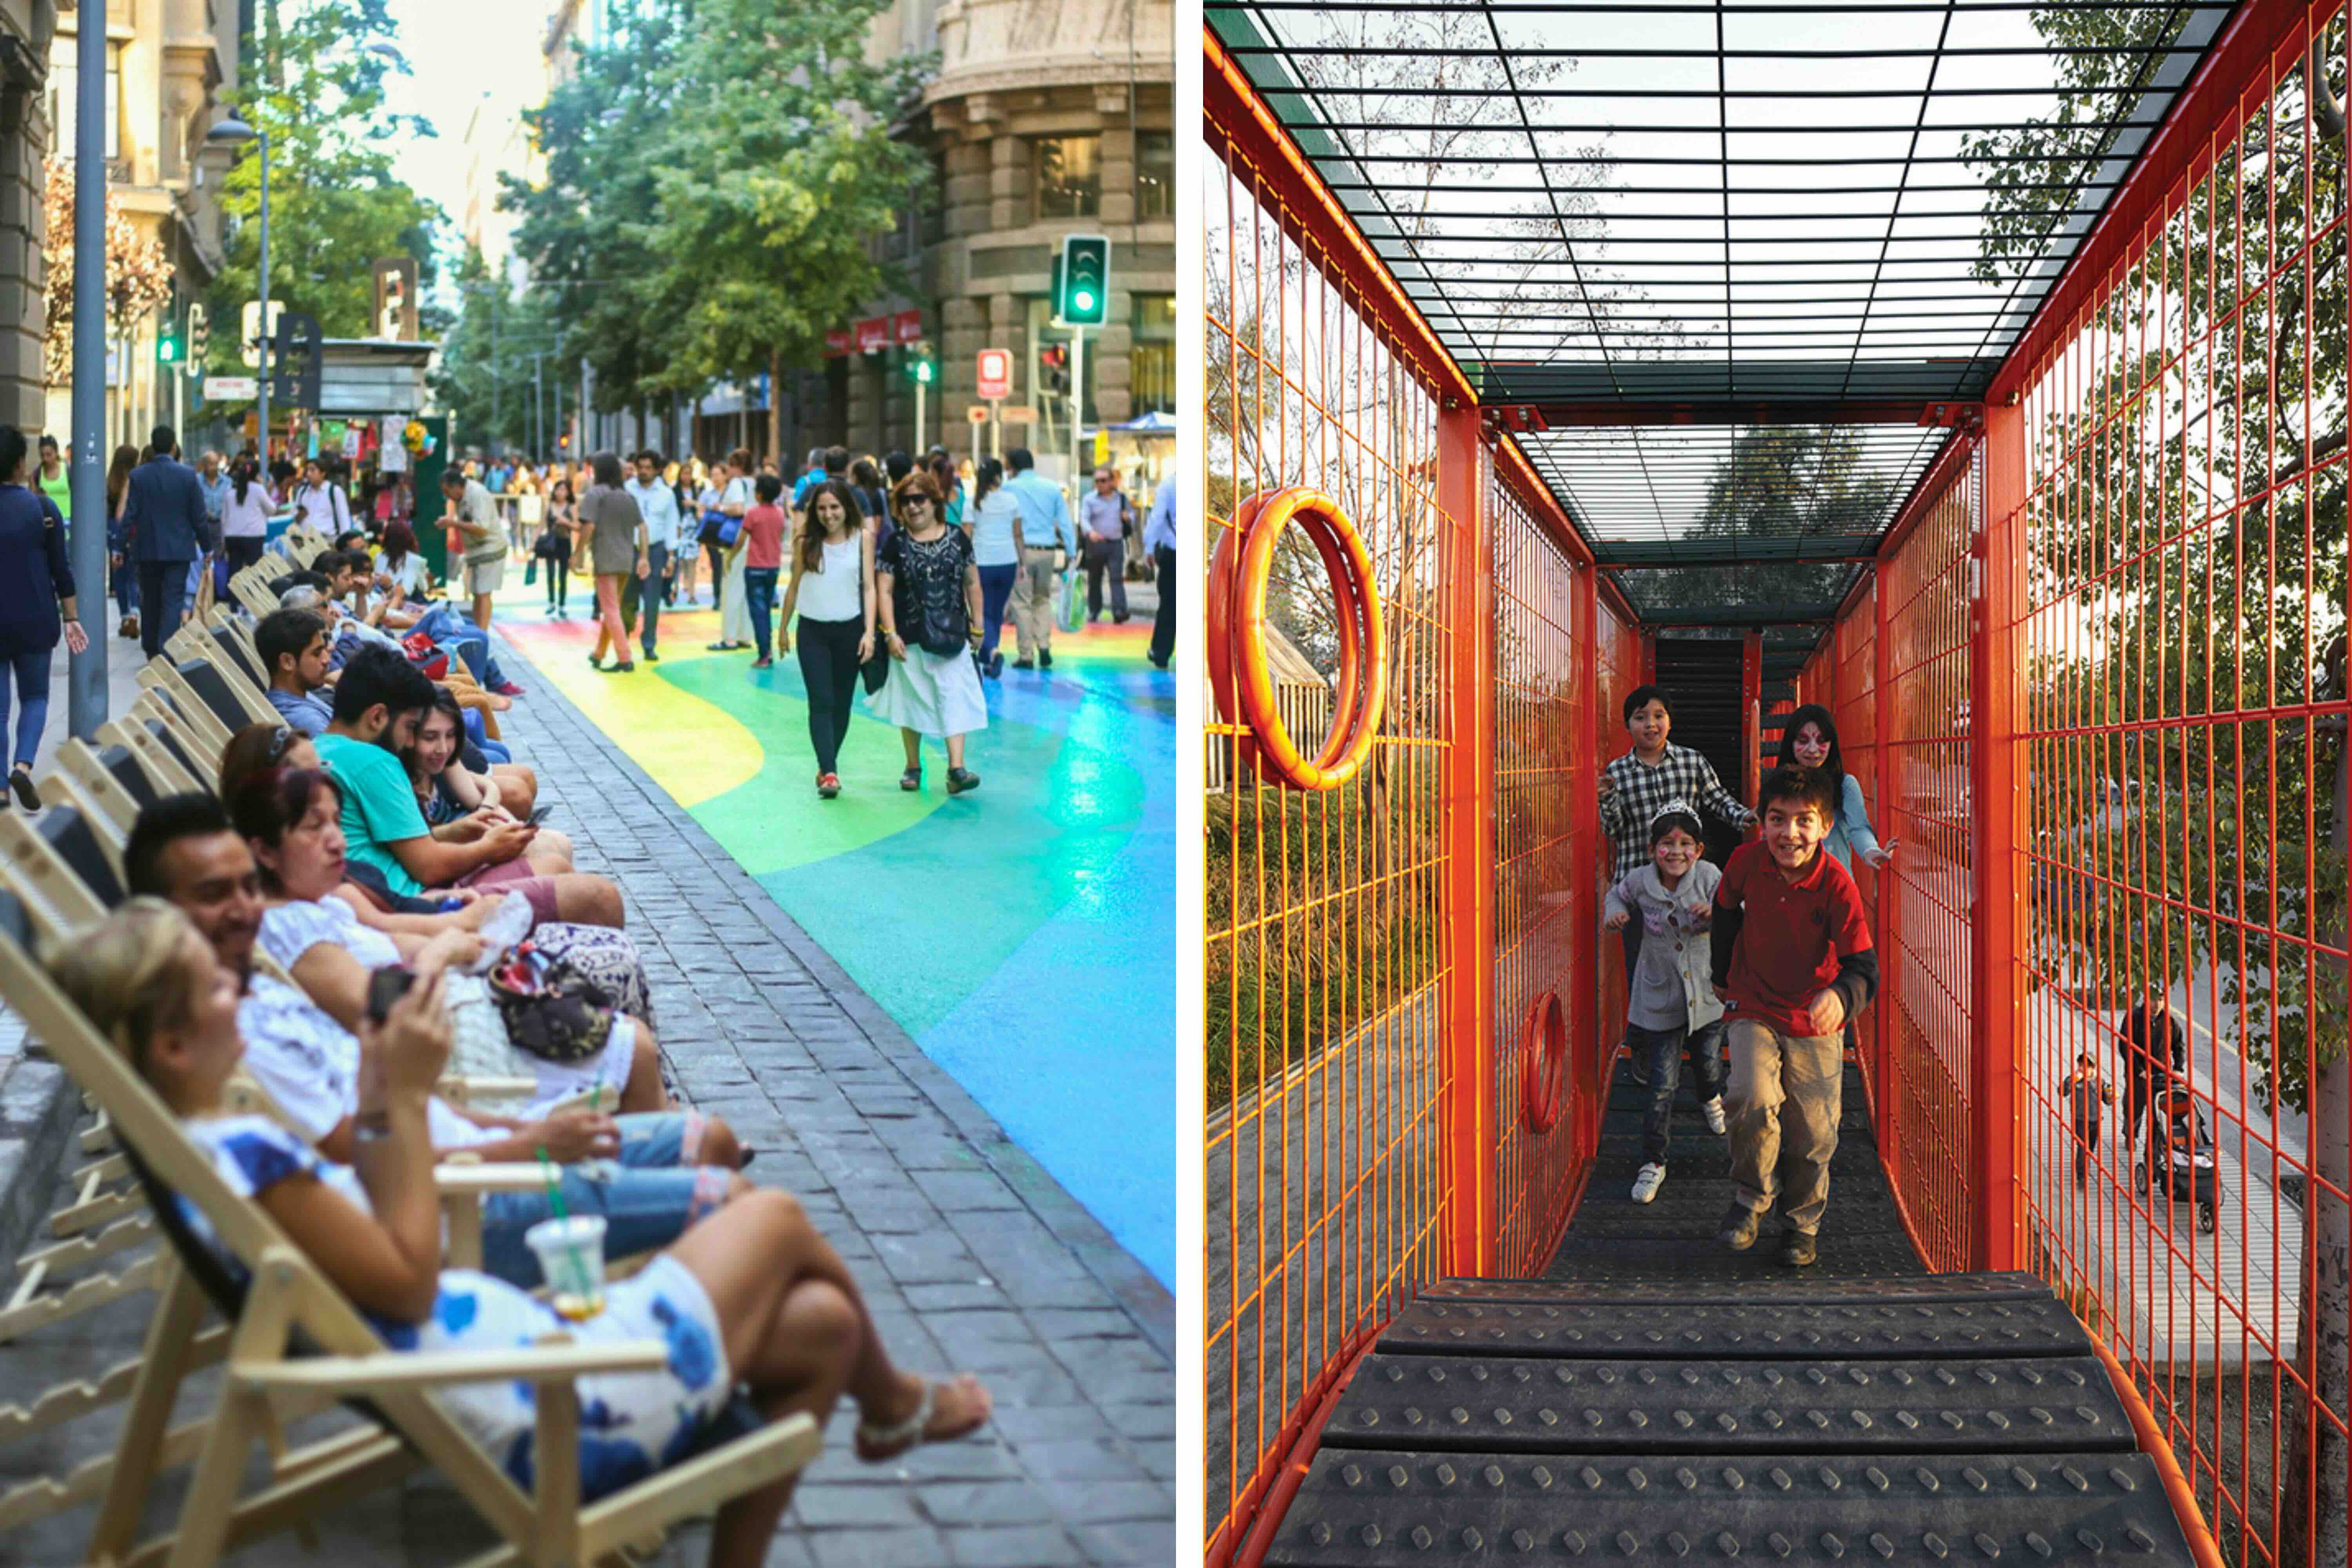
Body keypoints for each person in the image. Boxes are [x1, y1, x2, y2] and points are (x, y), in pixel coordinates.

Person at [52, 895, 992, 1566]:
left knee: (824, 1325)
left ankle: (887, 1404)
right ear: (173, 1046)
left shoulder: (221, 1146)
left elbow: (386, 1248)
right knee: (778, 1217)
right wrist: (399, 1107)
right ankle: (895, 1404)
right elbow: (411, 1280)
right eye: (215, 991)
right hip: (549, 1405)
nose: (237, 993)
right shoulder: (246, 1161)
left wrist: (389, 1098)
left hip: (510, 1350)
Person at [112, 811, 750, 1285]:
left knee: (712, 1144)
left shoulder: (264, 989)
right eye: (212, 895)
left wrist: (502, 1125)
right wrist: (521, 1143)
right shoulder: (234, 1038)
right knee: (744, 1213)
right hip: (467, 1199)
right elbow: (373, 1151)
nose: (242, 909)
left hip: (470, 1149)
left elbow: (389, 1091)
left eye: (243, 888)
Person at [314, 644, 621, 927]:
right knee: (599, 896)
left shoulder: (319, 749)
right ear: (378, 716)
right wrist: (489, 847)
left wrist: (458, 834)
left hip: (384, 892)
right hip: (413, 899)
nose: (409, 741)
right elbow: (429, 867)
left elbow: (389, 843)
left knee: (554, 863)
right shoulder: (373, 761)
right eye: (409, 727)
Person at [1709, 766, 1879, 1268]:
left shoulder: (1837, 884)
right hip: (1754, 1000)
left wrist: (1842, 998)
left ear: (1827, 826)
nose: (1790, 834)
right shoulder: (1745, 862)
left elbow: (1863, 968)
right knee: (1752, 1098)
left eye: (1805, 821)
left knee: (1815, 1129)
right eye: (1777, 820)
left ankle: (1801, 1221)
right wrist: (1722, 973)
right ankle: (1751, 1198)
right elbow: (1725, 910)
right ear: (1762, 823)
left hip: (1813, 1012)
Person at [1599, 684, 1757, 1077]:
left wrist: (1745, 818)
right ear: (1628, 725)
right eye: (1640, 717)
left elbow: (1717, 798)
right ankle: (1646, 1051)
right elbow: (1614, 829)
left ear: (1669, 720)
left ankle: (1698, 1048)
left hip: (1689, 890)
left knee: (1698, 964)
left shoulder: (1691, 761)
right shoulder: (1618, 772)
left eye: (1658, 715)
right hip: (1641, 892)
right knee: (1645, 974)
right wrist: (1606, 799)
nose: (1650, 724)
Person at [1602, 801, 1728, 1204]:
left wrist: (1716, 913)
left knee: (1709, 1062)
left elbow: (1735, 907)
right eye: (1667, 844)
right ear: (1650, 847)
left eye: (1686, 843)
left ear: (1700, 848)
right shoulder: (1640, 881)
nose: (1676, 852)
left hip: (1705, 991)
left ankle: (1711, 1096)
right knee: (1662, 1084)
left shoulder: (1709, 877)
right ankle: (1653, 1161)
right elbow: (1615, 896)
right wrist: (1616, 914)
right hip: (1659, 992)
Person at [871, 474, 985, 796]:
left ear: (935, 502)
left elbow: (972, 582)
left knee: (954, 696)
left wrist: (978, 625)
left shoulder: (958, 538)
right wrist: (890, 632)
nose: (913, 507)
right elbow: (884, 589)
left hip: (952, 636)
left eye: (919, 499)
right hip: (910, 638)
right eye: (906, 501)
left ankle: (956, 769)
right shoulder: (895, 544)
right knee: (912, 701)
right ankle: (913, 766)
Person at [0, 426, 85, 811]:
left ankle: (0, 789)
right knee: (35, 697)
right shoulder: (43, 509)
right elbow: (61, 571)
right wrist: (72, 618)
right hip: (35, 618)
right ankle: (22, 764)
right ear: (21, 464)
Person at [779, 479, 877, 799]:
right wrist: (782, 629)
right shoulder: (805, 541)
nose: (828, 515)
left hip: (849, 631)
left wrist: (870, 633)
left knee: (842, 703)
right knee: (821, 700)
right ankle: (831, 771)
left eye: (834, 507)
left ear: (846, 508)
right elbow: (793, 587)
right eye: (821, 508)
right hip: (812, 632)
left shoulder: (863, 539)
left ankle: (826, 764)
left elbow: (869, 588)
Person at [120, 424, 214, 660]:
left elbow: (130, 514)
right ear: (174, 447)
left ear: (153, 446)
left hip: (147, 549)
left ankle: (151, 647)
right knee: (174, 600)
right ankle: (168, 649)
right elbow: (199, 517)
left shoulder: (139, 476)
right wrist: (207, 548)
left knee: (149, 599)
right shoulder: (187, 476)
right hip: (178, 551)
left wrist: (118, 546)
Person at [1776, 705, 1894, 875]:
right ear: (1790, 743)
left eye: (1822, 741)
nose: (1813, 750)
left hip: (1834, 885)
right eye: (1803, 741)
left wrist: (1870, 849)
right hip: (1790, 885)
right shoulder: (1777, 785)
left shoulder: (1845, 785)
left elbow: (1859, 827)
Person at [1002, 448, 1077, 671]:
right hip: (1048, 552)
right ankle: (1044, 646)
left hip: (1021, 552)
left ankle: (1026, 655)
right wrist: (1072, 552)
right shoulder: (1052, 488)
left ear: (1014, 467)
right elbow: (1064, 522)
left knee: (1021, 603)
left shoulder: (1009, 489)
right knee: (1043, 599)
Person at [578, 453, 650, 673]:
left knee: (610, 609)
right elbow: (643, 528)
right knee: (614, 609)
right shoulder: (627, 496)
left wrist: (577, 552)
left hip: (605, 558)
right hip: (626, 559)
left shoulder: (595, 494)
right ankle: (599, 653)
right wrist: (644, 558)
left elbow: (588, 527)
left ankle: (625, 658)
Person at [622, 449, 681, 662]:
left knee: (652, 599)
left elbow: (672, 525)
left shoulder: (666, 494)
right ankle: (624, 641)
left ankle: (649, 644)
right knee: (627, 598)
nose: (644, 472)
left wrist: (672, 556)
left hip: (656, 550)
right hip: (630, 549)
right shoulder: (628, 489)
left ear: (657, 470)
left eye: (649, 468)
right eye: (641, 468)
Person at [963, 458, 1019, 679]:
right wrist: (1022, 562)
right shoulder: (1012, 500)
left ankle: (992, 652)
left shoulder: (972, 502)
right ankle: (989, 655)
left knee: (981, 611)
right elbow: (1018, 534)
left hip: (981, 563)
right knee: (995, 611)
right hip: (1008, 561)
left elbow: (966, 536)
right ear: (999, 477)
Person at [439, 466, 507, 635]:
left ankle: (482, 635)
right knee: (478, 593)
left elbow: (481, 529)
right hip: (476, 550)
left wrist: (453, 524)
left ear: (456, 486)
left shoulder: (477, 495)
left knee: (483, 593)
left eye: (447, 492)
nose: (447, 496)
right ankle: (478, 632)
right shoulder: (460, 497)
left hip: (490, 548)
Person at [2120, 984, 2189, 1148]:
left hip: (2161, 1074)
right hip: (2138, 1073)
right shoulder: (2134, 1017)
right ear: (2145, 999)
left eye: (2161, 1000)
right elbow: (2125, 1046)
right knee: (2134, 1107)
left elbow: (2179, 1046)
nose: (2157, 1004)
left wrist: (2178, 1069)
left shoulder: (2170, 1021)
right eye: (2153, 1000)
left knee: (2158, 1110)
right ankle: (2131, 1135)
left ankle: (2154, 1143)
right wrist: (2139, 1070)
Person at [256, 605, 336, 735]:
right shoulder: (306, 720)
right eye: (317, 653)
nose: (327, 660)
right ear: (287, 662)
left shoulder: (300, 694)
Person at [739, 472, 789, 670]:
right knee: (766, 610)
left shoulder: (753, 514)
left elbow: (741, 540)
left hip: (755, 568)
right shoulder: (780, 513)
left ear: (758, 494)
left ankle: (765, 654)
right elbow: (782, 534)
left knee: (758, 612)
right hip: (773, 568)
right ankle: (767, 651)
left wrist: (730, 557)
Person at [710, 448, 756, 653]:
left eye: (730, 464)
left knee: (730, 589)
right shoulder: (754, 483)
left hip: (736, 542)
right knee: (746, 590)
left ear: (737, 466)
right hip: (753, 542)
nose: (727, 469)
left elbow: (738, 509)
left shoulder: (737, 484)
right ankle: (745, 635)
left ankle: (729, 638)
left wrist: (720, 508)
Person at [1079, 465, 1133, 623]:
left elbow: (1132, 516)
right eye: (1097, 481)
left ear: (1111, 481)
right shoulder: (1089, 499)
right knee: (1095, 579)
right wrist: (1090, 533)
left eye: (1103, 481)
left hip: (1116, 543)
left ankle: (1119, 611)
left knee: (1116, 578)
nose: (1100, 484)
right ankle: (1094, 611)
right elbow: (1084, 519)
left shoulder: (1122, 499)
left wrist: (1128, 518)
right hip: (1096, 544)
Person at [2061, 1049, 2115, 1187]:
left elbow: (2106, 1099)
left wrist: (2111, 1097)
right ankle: (2082, 1176)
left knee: (2090, 1148)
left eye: (2087, 1066)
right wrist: (2071, 1081)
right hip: (2080, 1119)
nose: (2083, 1068)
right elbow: (2062, 1092)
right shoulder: (2074, 1079)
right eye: (2081, 1065)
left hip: (2095, 1119)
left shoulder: (2099, 1081)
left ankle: (2085, 1166)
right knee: (2083, 1146)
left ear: (2093, 1069)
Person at [105, 443, 139, 639]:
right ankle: (134, 613)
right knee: (133, 574)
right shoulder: (131, 480)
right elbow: (122, 514)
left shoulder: (110, 481)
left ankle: (125, 616)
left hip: (111, 531)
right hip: (128, 530)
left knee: (118, 576)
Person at [217, 454, 272, 572]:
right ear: (257, 474)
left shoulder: (230, 491)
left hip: (232, 538)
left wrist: (223, 542)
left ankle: (232, 591)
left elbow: (224, 519)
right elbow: (272, 509)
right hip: (253, 537)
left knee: (234, 573)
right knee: (255, 573)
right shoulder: (258, 489)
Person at [1144, 470, 1176, 670]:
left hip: (1173, 554)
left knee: (1168, 604)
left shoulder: (1168, 486)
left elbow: (1157, 520)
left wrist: (1149, 549)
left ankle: (1161, 652)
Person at [537, 478, 576, 617]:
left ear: (568, 492)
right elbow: (541, 524)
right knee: (551, 574)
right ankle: (551, 602)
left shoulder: (571, 507)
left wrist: (566, 522)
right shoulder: (549, 505)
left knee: (563, 576)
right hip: (551, 542)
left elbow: (577, 527)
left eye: (564, 490)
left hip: (565, 542)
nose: (561, 492)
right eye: (559, 489)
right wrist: (534, 542)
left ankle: (562, 603)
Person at [291, 459, 354, 537]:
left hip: (328, 541)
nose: (309, 474)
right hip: (305, 542)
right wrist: (300, 515)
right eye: (307, 471)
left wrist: (343, 544)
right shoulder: (302, 492)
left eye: (313, 470)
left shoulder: (335, 492)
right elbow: (295, 519)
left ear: (323, 473)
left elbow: (344, 521)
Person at [376, 518, 433, 604]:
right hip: (407, 604)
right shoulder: (417, 561)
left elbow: (378, 582)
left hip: (383, 601)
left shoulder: (380, 557)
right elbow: (424, 588)